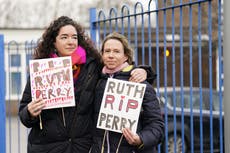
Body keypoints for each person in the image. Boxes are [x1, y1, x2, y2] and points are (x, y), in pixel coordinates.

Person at [19, 16, 152, 153]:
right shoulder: (41, 70)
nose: (71, 41)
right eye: (64, 37)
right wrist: (30, 112)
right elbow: (24, 114)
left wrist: (144, 71)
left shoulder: (92, 65)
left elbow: (117, 69)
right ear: (53, 42)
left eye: (74, 37)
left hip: (80, 147)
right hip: (46, 148)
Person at [91, 32, 164, 153]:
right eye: (107, 51)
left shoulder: (140, 84)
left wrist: (141, 139)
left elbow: (157, 126)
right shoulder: (96, 82)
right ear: (102, 55)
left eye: (116, 51)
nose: (111, 55)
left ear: (126, 56)